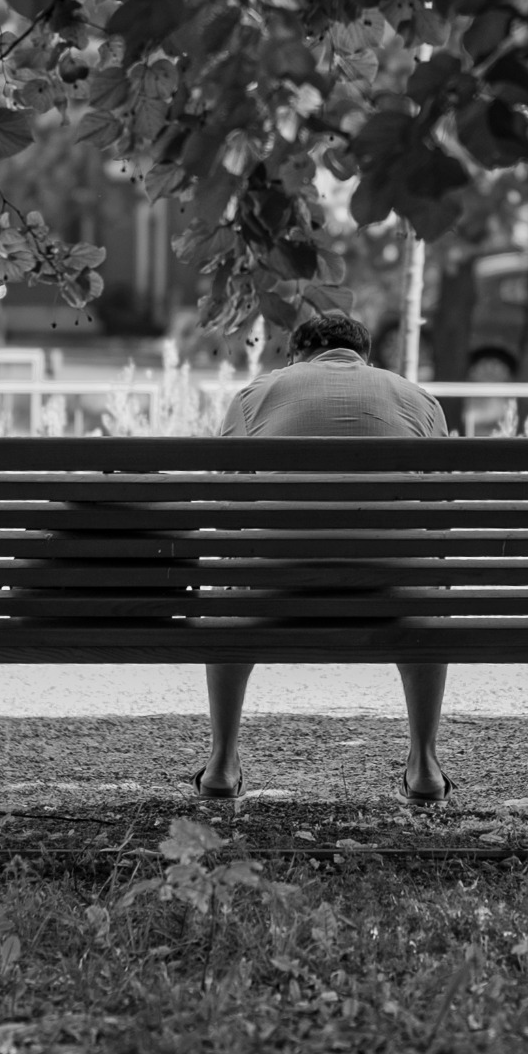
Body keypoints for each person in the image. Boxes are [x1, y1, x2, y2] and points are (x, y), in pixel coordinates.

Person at [198, 311, 455, 805]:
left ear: (298, 355)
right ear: (365, 358)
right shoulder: (417, 399)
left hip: (279, 586)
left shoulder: (257, 394)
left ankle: (222, 762)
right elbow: (437, 520)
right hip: (391, 588)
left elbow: (229, 508)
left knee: (229, 597)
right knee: (429, 598)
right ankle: (424, 762)